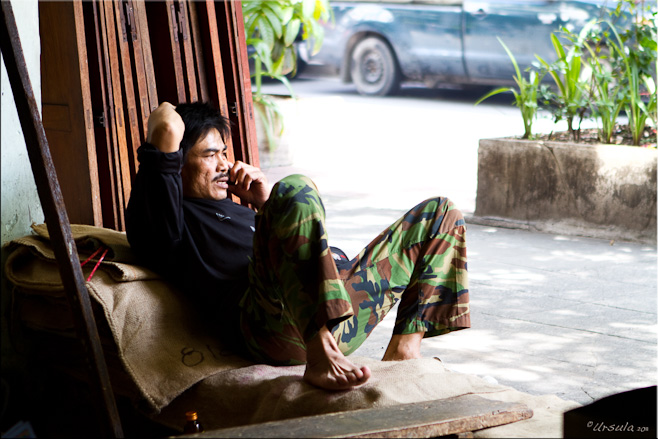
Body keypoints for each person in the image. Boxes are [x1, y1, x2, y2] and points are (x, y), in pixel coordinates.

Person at [126, 101, 470, 391]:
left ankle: (403, 351)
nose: (225, 165)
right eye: (209, 155)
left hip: (337, 313)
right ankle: (319, 350)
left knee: (441, 212)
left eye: (225, 154)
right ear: (176, 165)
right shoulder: (167, 222)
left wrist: (265, 205)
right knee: (295, 187)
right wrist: (281, 198)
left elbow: (305, 261)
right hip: (266, 325)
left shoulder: (236, 207)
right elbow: (167, 126)